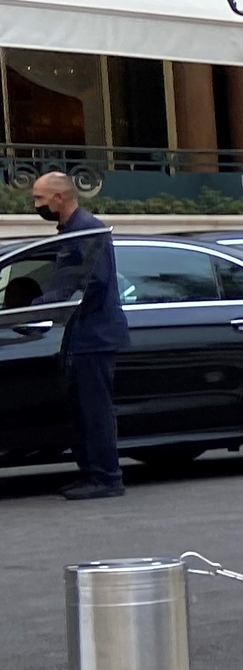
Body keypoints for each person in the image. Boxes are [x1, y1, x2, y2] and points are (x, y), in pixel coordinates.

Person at [28, 172, 130, 499]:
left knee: (94, 411)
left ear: (60, 198)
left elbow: (91, 283)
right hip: (80, 337)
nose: (36, 205)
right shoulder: (71, 231)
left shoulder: (87, 229)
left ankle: (106, 478)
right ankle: (90, 473)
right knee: (81, 411)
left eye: (40, 199)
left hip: (94, 336)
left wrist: (45, 307)